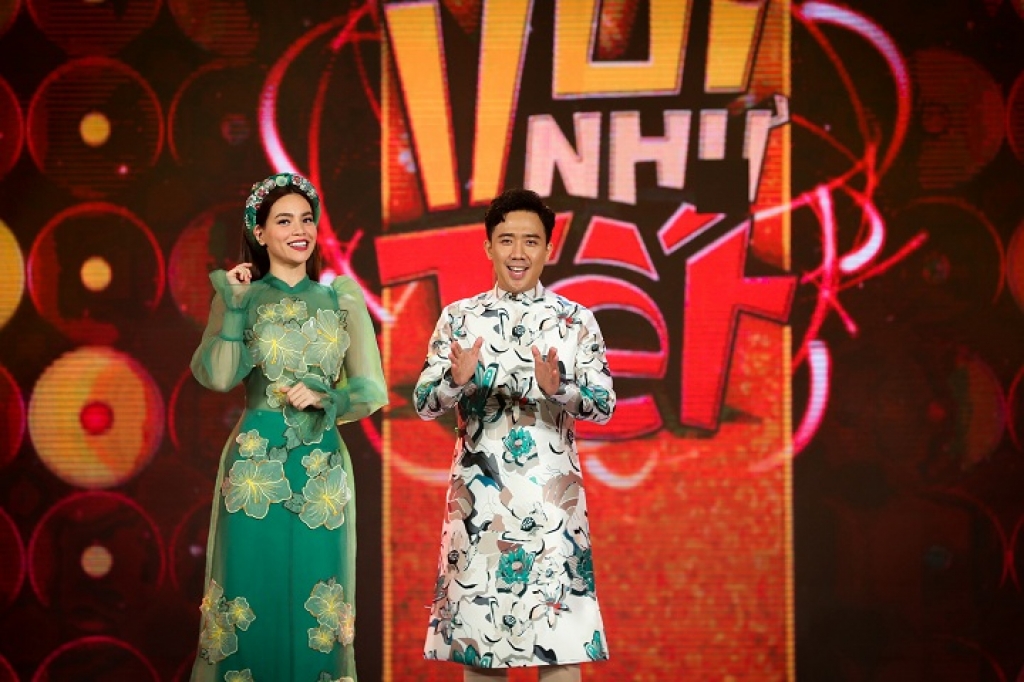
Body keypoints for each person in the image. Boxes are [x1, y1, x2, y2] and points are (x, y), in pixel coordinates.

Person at [189, 172, 387, 682]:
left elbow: (371, 390)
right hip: (254, 467)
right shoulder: (241, 295)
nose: (299, 230)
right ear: (259, 233)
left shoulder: (340, 299)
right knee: (250, 593)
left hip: (321, 468)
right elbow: (219, 376)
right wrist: (235, 307)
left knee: (318, 599)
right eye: (284, 221)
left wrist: (329, 397)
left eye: (306, 220)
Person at [415, 188, 616, 681]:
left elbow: (605, 405)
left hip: (553, 504)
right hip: (480, 504)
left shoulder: (575, 320)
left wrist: (560, 389)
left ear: (549, 248)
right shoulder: (459, 318)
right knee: (481, 648)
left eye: (531, 241)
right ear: (488, 247)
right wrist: (455, 381)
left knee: (559, 644)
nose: (518, 252)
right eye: (506, 240)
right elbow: (422, 403)